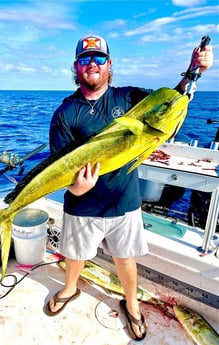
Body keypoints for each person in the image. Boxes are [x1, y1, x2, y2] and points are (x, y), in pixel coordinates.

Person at [44, 35, 213, 340]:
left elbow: (171, 101)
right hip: (82, 205)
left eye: (98, 58)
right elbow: (60, 166)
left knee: (125, 259)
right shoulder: (65, 113)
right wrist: (76, 190)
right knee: (75, 255)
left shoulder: (129, 97)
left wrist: (193, 71)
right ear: (76, 67)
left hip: (125, 201)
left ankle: (131, 303)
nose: (92, 64)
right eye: (85, 59)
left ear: (109, 65)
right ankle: (70, 289)